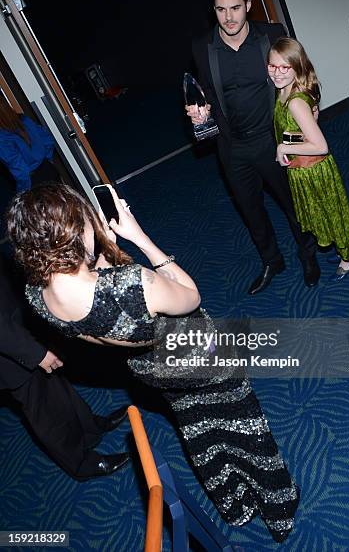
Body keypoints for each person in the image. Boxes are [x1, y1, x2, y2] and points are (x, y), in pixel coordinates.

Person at [7, 183, 300, 543]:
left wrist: (97, 252)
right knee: (244, 426)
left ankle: (234, 504)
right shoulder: (133, 284)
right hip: (200, 359)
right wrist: (141, 238)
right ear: (73, 231)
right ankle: (277, 508)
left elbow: (101, 300)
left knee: (199, 428)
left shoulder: (37, 296)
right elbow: (191, 297)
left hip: (151, 370)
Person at [186, 0, 320, 294]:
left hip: (274, 141)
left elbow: (302, 77)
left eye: (235, 8)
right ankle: (272, 260)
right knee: (251, 211)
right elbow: (206, 91)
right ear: (213, 10)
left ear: (248, 4)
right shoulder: (202, 47)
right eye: (221, 10)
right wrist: (198, 111)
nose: (228, 17)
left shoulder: (271, 35)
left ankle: (308, 254)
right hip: (232, 148)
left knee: (293, 204)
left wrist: (308, 118)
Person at [0, 252, 130, 481]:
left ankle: (89, 427)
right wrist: (34, 352)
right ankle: (81, 463)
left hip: (16, 323)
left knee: (56, 385)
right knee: (45, 411)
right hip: (9, 353)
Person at [269, 37, 349, 280]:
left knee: (331, 216)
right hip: (303, 171)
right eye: (272, 66)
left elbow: (320, 145)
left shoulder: (295, 103)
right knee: (325, 216)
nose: (277, 73)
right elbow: (302, 133)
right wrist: (291, 140)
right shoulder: (284, 90)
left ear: (297, 67)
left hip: (314, 172)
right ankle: (346, 252)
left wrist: (282, 147)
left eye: (284, 67)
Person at [0, 96, 60, 192]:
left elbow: (20, 169)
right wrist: (47, 160)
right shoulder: (23, 119)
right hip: (48, 169)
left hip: (34, 181)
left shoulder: (2, 137)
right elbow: (47, 139)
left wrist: (23, 192)